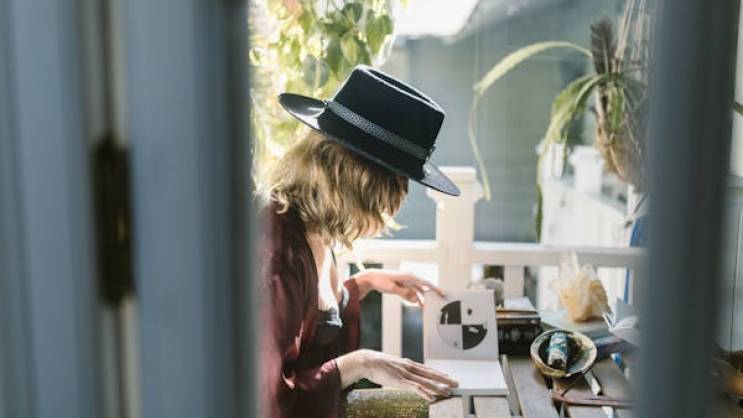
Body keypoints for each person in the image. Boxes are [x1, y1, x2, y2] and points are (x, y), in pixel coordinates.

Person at [259, 66, 460, 418]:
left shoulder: (310, 224)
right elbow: (270, 402)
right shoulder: (279, 258)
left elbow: (311, 324)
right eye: (396, 184)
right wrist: (360, 363)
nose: (396, 201)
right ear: (358, 182)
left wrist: (363, 284)